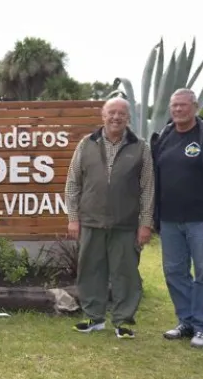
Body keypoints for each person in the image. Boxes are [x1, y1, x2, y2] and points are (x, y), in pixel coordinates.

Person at [65, 97, 155, 339]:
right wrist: (73, 218)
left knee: (125, 273)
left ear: (128, 118)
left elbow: (147, 189)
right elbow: (73, 183)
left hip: (126, 224)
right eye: (111, 113)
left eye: (121, 114)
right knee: (90, 270)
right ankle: (94, 317)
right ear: (103, 116)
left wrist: (145, 224)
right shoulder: (87, 144)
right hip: (91, 221)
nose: (116, 117)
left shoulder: (140, 147)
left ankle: (123, 321)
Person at [153, 89, 203, 348]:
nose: (178, 110)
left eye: (183, 105)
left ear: (195, 106)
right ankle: (186, 320)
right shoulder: (164, 136)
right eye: (174, 105)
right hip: (169, 220)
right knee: (174, 272)